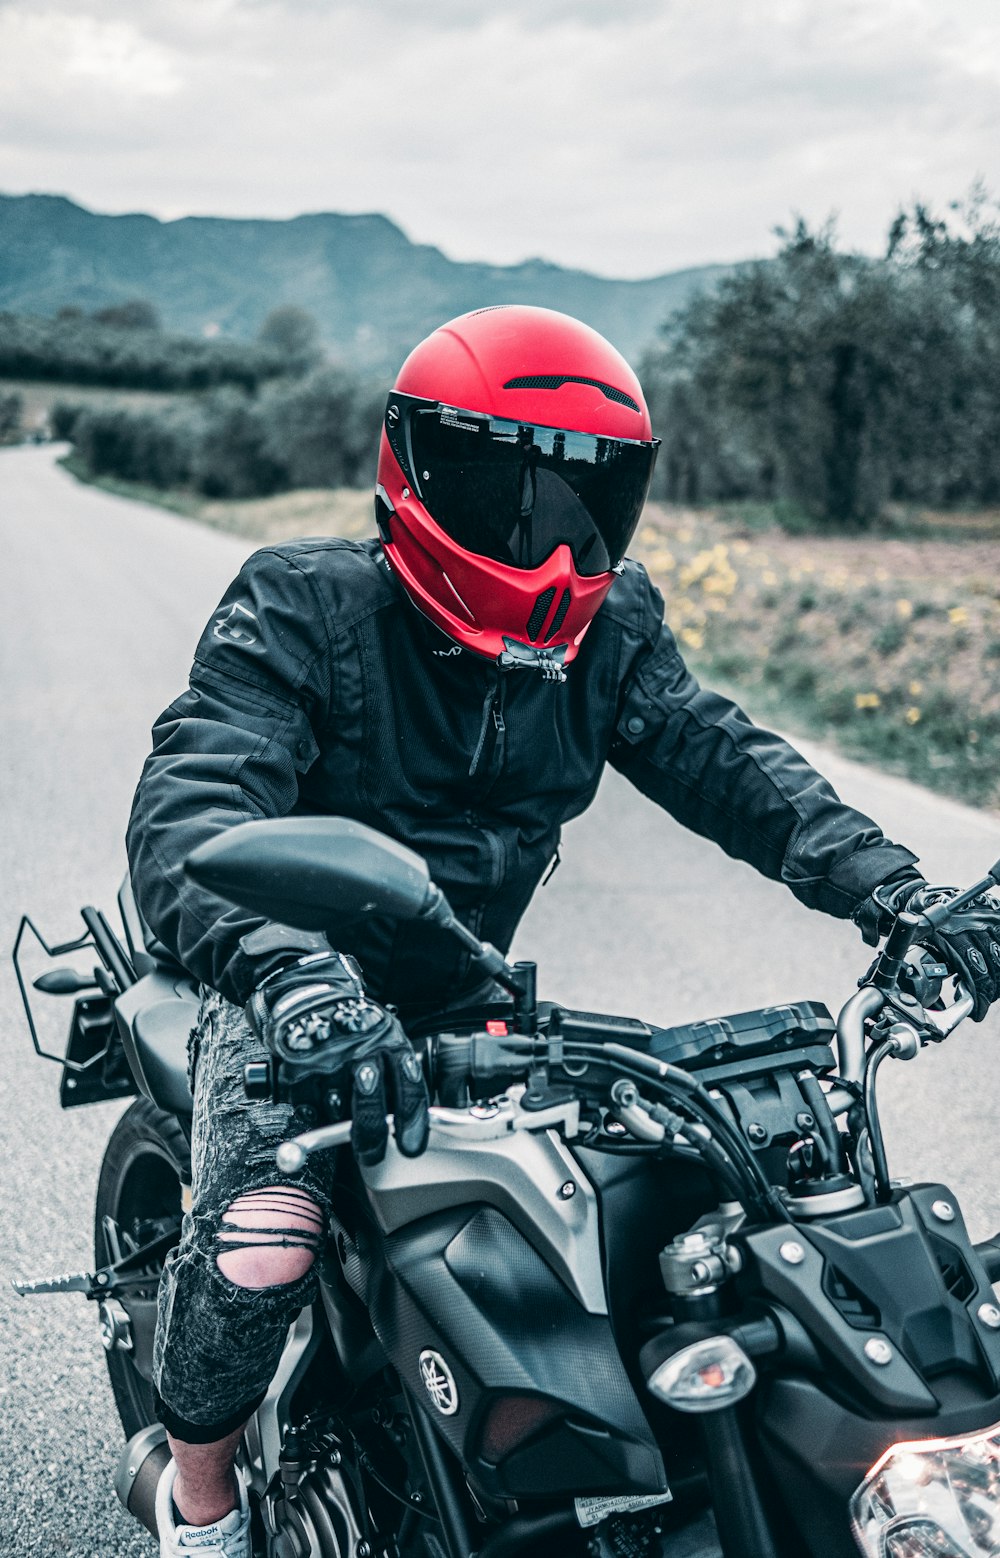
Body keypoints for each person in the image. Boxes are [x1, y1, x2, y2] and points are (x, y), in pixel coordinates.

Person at [126, 304, 1000, 1557]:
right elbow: (192, 810)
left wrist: (900, 892)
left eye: (589, 502)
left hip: (466, 991)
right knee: (266, 1237)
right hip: (283, 985)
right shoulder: (299, 607)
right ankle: (196, 1510)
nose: (551, 542)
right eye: (509, 494)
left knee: (690, 1218)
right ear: (417, 469)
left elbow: (728, 765)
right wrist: (289, 974)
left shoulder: (612, 629)